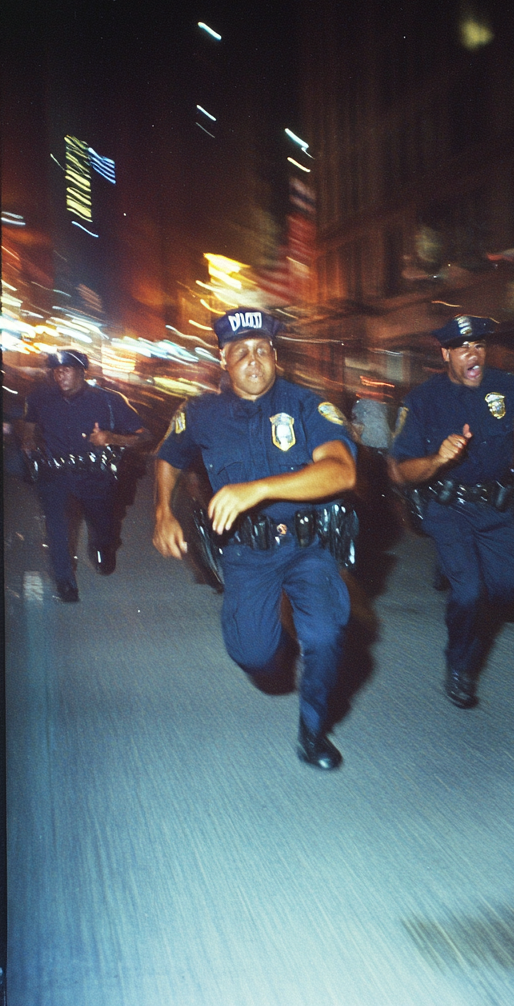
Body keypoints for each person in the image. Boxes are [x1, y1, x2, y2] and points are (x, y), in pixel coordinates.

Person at [152, 308, 358, 770]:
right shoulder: (200, 413)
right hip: (246, 552)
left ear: (275, 356)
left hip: (310, 547)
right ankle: (274, 638)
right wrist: (162, 511)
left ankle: (313, 729)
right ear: (223, 358)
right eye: (241, 351)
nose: (253, 360)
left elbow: (341, 470)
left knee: (325, 637)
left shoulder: (308, 406)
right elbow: (168, 456)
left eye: (262, 350)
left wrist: (260, 488)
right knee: (255, 655)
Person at [388, 314, 514, 708]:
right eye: (464, 348)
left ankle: (459, 577)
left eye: (480, 346)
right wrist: (436, 460)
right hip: (448, 507)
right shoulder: (422, 401)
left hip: (496, 507)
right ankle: (460, 667)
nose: (475, 354)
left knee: (510, 588)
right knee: (469, 592)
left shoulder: (505, 386)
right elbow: (401, 470)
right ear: (446, 353)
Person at [19, 349, 152, 602]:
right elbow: (29, 423)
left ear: (82, 372)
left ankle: (103, 545)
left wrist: (112, 438)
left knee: (103, 526)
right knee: (57, 527)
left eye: (66, 369)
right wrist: (28, 442)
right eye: (56, 370)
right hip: (55, 474)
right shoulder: (39, 398)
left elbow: (146, 435)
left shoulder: (109, 401)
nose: (60, 375)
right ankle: (65, 582)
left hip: (94, 475)